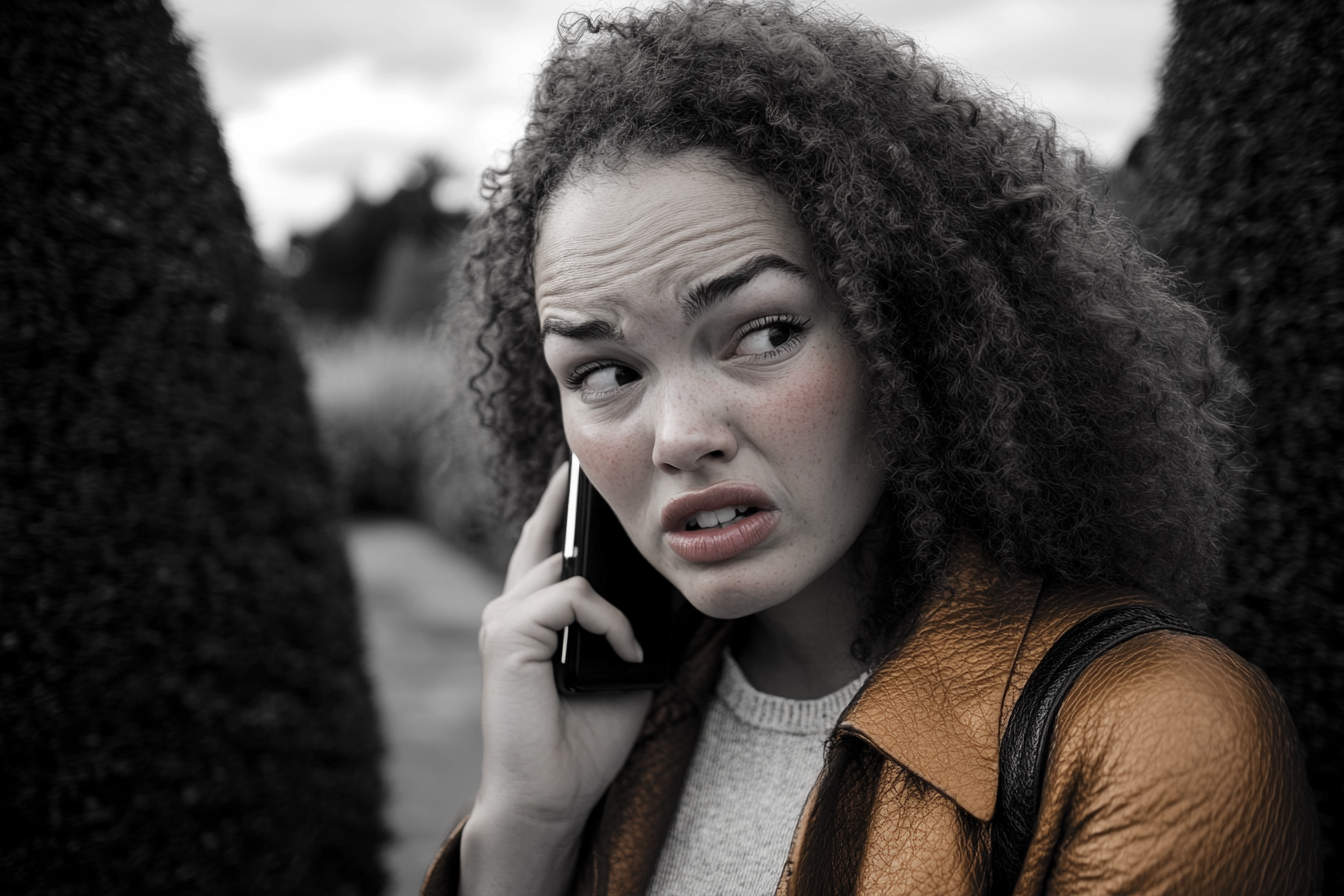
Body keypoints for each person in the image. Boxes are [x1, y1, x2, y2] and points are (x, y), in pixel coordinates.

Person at [426, 2, 1320, 893]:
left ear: (910, 336)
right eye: (605, 373)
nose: (681, 438)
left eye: (764, 333)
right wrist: (526, 829)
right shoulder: (605, 738)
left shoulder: (1154, 737)